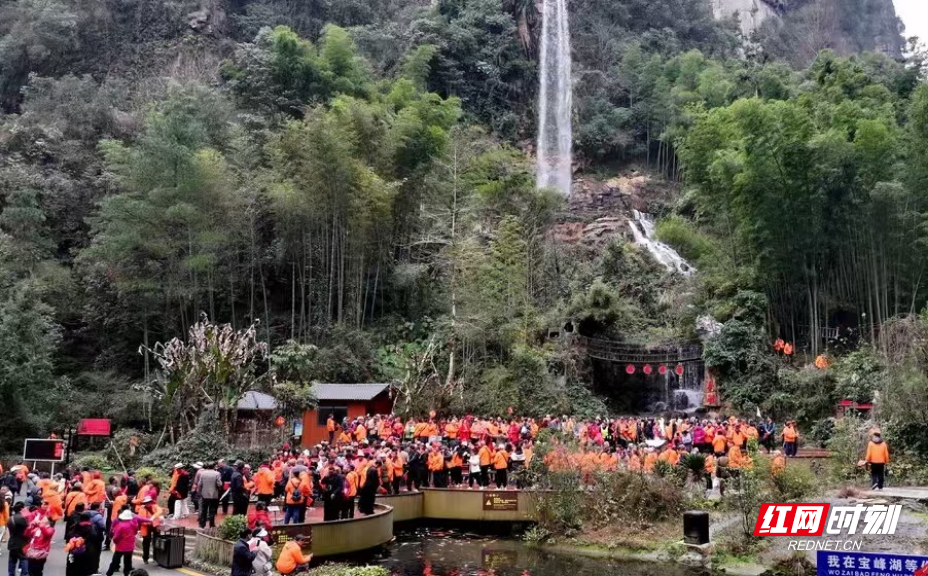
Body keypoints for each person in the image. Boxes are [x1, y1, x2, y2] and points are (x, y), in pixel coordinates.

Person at [106, 509, 152, 576]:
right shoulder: (133, 524)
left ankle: (109, 574)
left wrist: (115, 541)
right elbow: (135, 531)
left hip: (120, 547)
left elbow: (116, 537)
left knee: (114, 561)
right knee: (127, 562)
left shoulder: (120, 525)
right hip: (129, 546)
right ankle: (126, 574)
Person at [196, 462, 222, 529]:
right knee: (212, 510)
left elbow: (200, 484)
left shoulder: (203, 473)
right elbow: (219, 484)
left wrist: (199, 492)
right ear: (213, 467)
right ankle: (211, 524)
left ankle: (202, 524)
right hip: (214, 495)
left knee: (204, 510)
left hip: (204, 494)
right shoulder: (217, 473)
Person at [137, 497, 162, 565]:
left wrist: (153, 517)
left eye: (149, 502)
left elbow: (160, 511)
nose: (148, 504)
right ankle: (145, 558)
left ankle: (156, 558)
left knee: (156, 542)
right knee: (146, 542)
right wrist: (147, 522)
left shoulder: (155, 506)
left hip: (155, 526)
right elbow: (140, 519)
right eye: (146, 502)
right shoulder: (141, 509)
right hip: (146, 527)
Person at [7, 502, 29, 576]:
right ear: (22, 509)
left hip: (12, 542)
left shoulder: (11, 518)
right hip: (22, 542)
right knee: (24, 560)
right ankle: (24, 574)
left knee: (12, 561)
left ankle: (11, 574)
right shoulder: (24, 519)